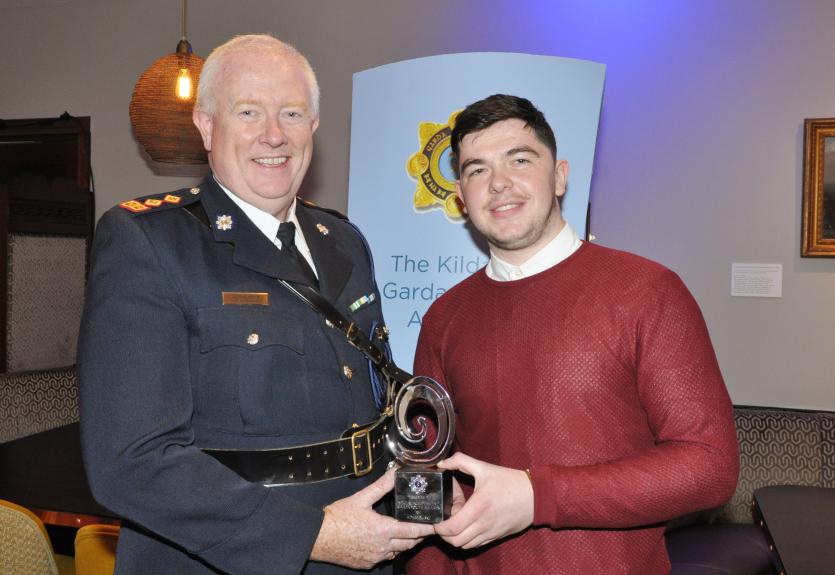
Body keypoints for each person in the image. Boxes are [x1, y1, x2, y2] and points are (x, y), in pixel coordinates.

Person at [78, 34, 432, 575]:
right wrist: (312, 536)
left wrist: (426, 493)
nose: (274, 134)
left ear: (313, 127)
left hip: (365, 554)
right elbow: (131, 463)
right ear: (206, 125)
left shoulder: (345, 240)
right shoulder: (148, 242)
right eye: (248, 111)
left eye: (291, 113)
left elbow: (371, 410)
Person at [406, 94, 739, 574]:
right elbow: (429, 481)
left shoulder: (647, 292)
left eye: (520, 159)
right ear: (461, 195)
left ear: (559, 177)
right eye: (477, 169)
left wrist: (538, 496)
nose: (499, 183)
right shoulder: (444, 316)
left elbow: (709, 467)